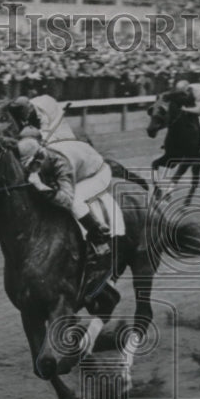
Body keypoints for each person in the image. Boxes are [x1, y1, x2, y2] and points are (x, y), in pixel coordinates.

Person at [15, 128, 123, 314]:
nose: (29, 171)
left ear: (39, 159)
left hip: (96, 172)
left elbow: (65, 198)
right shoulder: (37, 159)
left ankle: (99, 238)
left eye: (30, 166)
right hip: (78, 161)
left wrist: (41, 186)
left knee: (75, 200)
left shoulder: (61, 163)